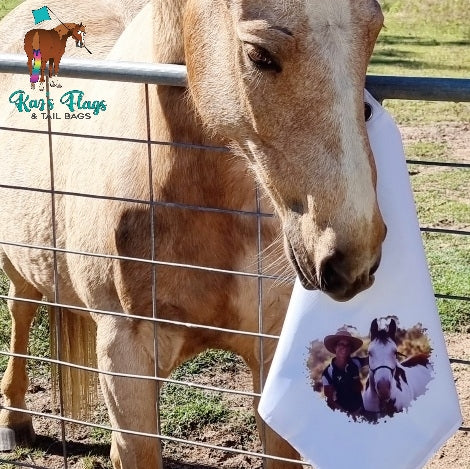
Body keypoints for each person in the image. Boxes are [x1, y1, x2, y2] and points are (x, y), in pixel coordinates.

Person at [322, 330, 367, 415]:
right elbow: (330, 401)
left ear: (350, 349)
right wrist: (347, 415)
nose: (344, 347)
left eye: (347, 345)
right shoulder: (328, 373)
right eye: (341, 344)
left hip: (361, 411)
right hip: (343, 416)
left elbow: (373, 359)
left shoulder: (356, 362)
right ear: (335, 347)